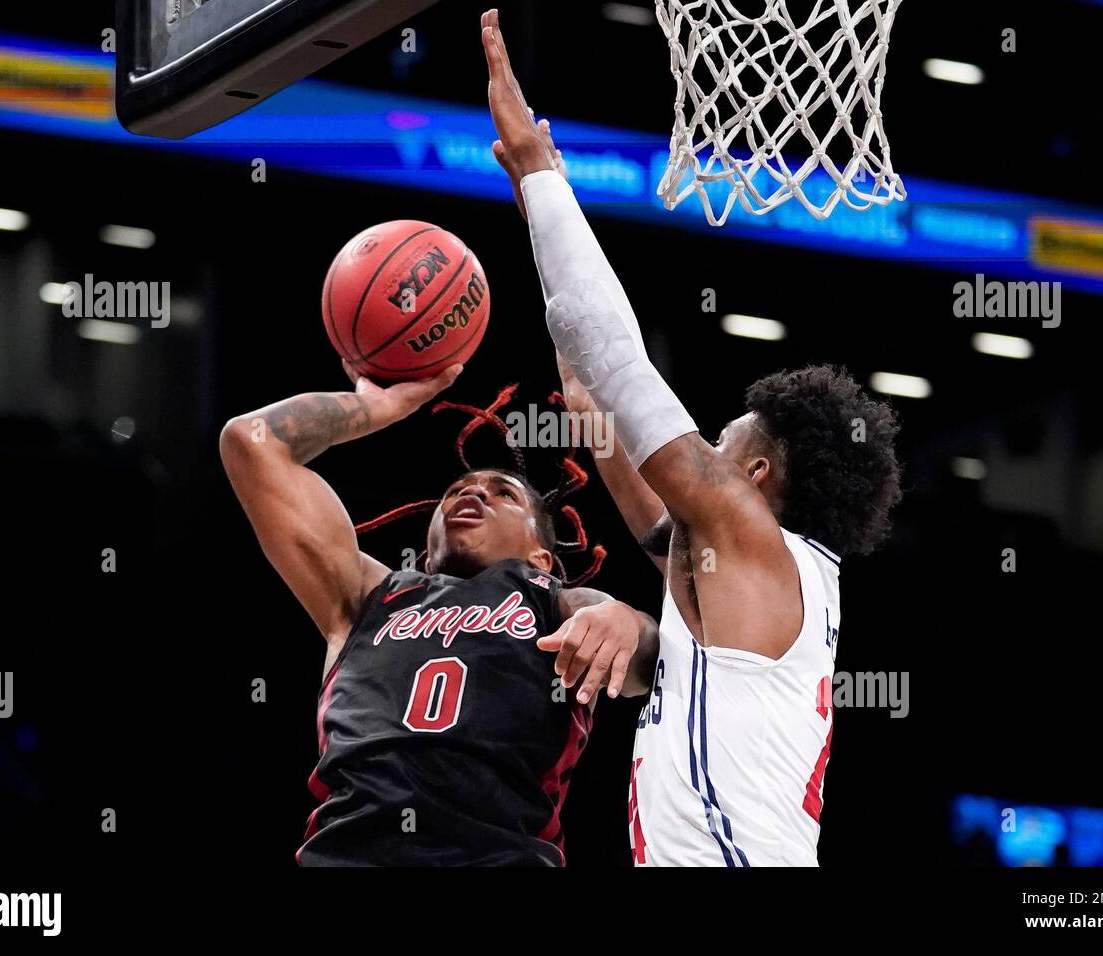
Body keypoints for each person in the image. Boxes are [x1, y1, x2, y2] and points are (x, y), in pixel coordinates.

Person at [481, 9, 903, 866]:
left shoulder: (753, 545)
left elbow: (623, 367)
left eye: (716, 441)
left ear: (752, 472)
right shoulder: (724, 570)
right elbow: (591, 391)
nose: (695, 450)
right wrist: (539, 200)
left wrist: (539, 177)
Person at [220, 362, 658, 865]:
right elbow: (249, 442)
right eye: (456, 491)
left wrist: (626, 619)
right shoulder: (367, 594)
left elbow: (641, 658)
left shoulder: (556, 602)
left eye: (504, 494)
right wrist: (377, 408)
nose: (473, 492)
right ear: (426, 554)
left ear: (542, 557)